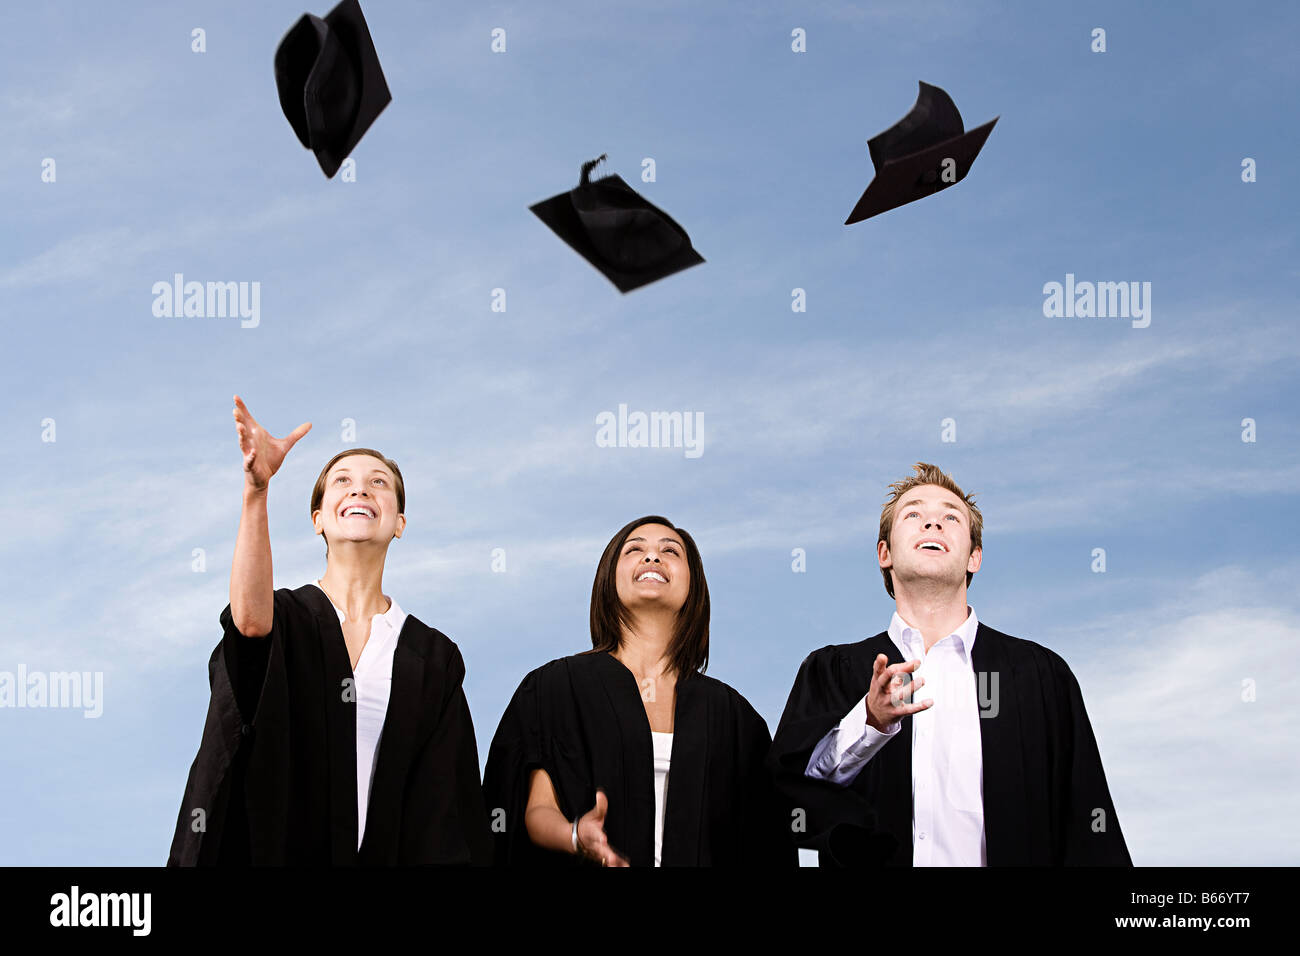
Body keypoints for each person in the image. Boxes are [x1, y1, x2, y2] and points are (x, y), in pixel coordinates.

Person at [167, 396, 492, 865]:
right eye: (342, 482)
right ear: (318, 519)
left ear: (399, 522)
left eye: (377, 483)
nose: (360, 491)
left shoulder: (431, 656)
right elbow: (250, 626)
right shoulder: (288, 617)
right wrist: (257, 491)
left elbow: (446, 802)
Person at [767, 463, 1132, 866]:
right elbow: (783, 806)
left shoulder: (1039, 676)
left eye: (950, 517)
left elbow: (1087, 825)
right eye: (914, 514)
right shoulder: (833, 671)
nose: (932, 524)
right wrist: (869, 723)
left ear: (974, 556)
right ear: (884, 553)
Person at [483, 516, 797, 867]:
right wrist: (576, 836)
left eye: (670, 551)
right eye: (635, 549)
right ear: (608, 578)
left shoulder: (734, 717)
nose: (652, 557)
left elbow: (763, 842)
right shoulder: (557, 687)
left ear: (693, 584)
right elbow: (537, 810)